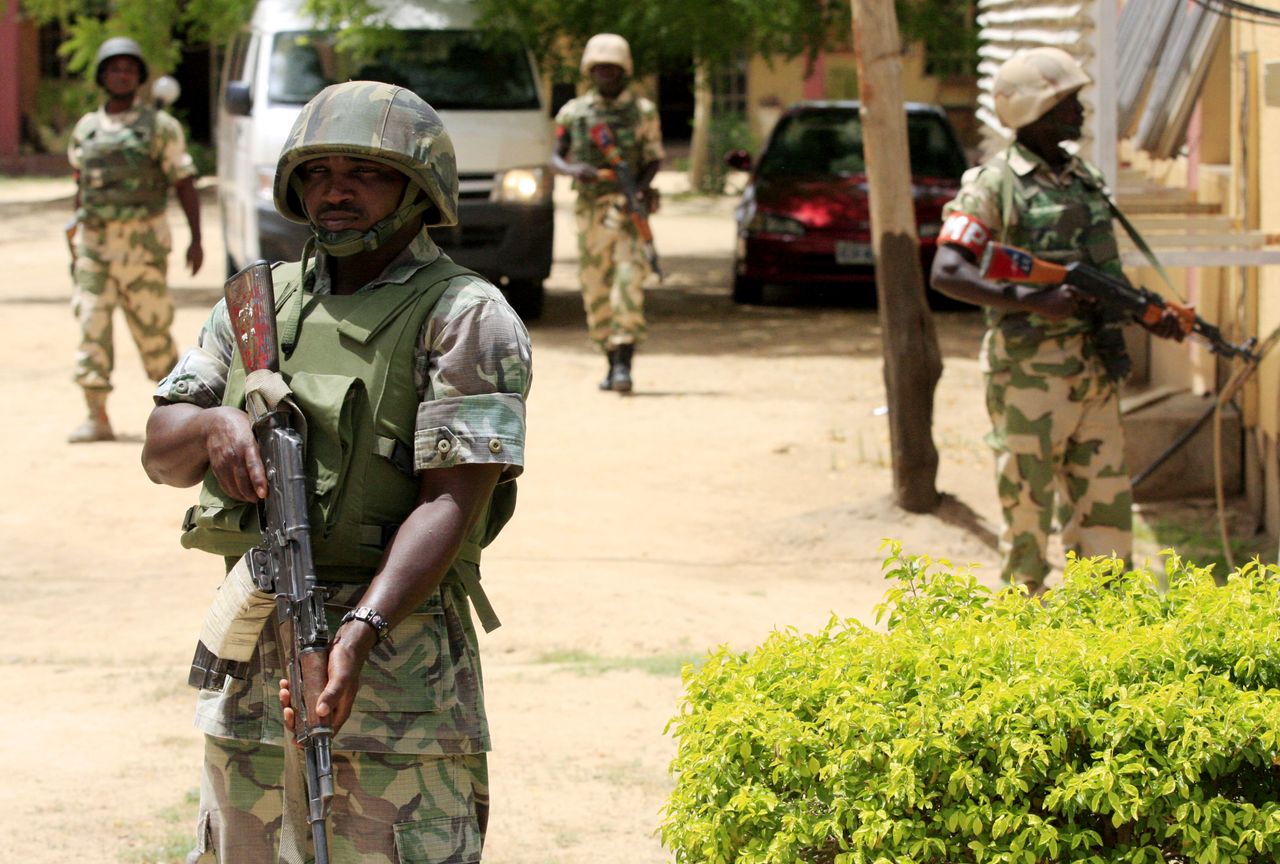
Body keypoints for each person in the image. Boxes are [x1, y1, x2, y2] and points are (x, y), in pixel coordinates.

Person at [141, 80, 532, 862]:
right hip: (254, 654)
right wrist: (219, 424)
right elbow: (161, 449)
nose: (337, 190)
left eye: (367, 172)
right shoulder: (258, 307)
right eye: (319, 173)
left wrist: (358, 634)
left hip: (397, 675)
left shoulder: (465, 314)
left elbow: (451, 501)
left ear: (419, 189)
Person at [929, 47, 1183, 596]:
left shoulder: (1082, 179)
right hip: (1029, 379)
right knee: (1027, 524)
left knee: (1107, 525)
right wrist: (1029, 298)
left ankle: (1103, 639)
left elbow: (1099, 274)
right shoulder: (993, 184)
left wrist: (1148, 314)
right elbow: (947, 272)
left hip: (1094, 370)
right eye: (1069, 101)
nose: (1082, 110)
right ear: (1036, 111)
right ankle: (1027, 644)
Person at [67, 36, 203, 443]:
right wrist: (74, 241)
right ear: (103, 76)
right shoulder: (87, 129)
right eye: (113, 68)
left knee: (154, 334)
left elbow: (184, 181)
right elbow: (82, 188)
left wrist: (196, 239)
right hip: (95, 247)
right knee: (91, 328)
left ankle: (172, 418)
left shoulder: (160, 128)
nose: (121, 74)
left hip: (142, 249)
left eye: (128, 68)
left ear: (139, 76)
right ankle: (97, 416)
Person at [551, 33, 664, 393]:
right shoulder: (574, 112)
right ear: (589, 70)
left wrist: (640, 189)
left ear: (624, 71)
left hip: (627, 210)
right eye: (599, 68)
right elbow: (555, 155)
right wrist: (572, 171)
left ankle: (624, 364)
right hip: (589, 211)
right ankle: (610, 357)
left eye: (612, 69)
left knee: (628, 281)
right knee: (595, 286)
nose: (605, 74)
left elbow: (653, 157)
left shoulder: (642, 112)